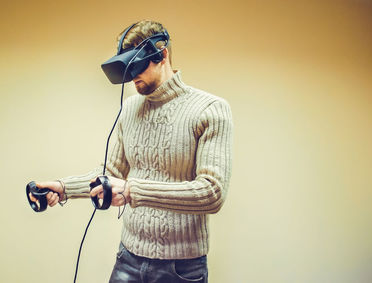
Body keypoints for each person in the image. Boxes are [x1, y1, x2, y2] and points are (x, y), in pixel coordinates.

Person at [30, 20, 233, 283]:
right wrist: (62, 187)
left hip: (181, 268)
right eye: (127, 67)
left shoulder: (210, 109)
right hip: (128, 258)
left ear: (162, 54)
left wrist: (130, 190)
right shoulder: (130, 108)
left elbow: (211, 193)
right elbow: (111, 174)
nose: (132, 76)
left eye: (137, 65)